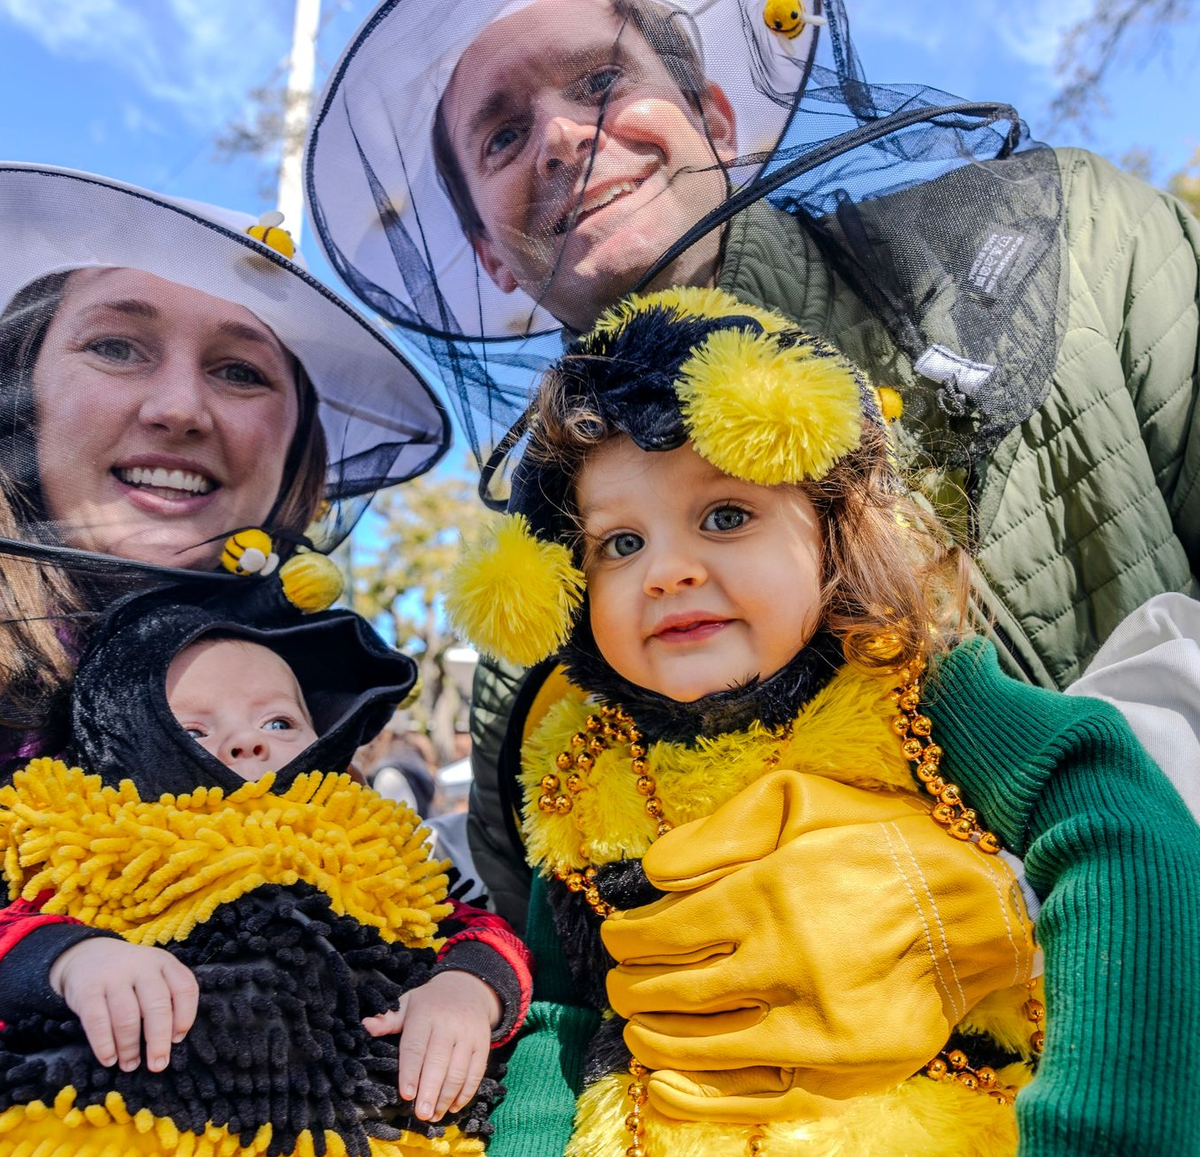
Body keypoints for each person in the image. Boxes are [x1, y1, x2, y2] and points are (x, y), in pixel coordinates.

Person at [304, 0, 1200, 933]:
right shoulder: (528, 636)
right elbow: (552, 956)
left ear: (716, 122)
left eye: (602, 81)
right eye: (502, 134)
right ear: (489, 253)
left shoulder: (1083, 249)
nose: (565, 137)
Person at [443, 289, 1200, 1157]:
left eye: (726, 515)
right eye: (619, 542)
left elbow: (1125, 831)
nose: (668, 571)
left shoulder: (915, 691)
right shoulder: (573, 779)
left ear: (834, 531)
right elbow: (563, 1023)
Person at [0, 162, 451, 1005]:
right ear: (23, 393)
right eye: (116, 347)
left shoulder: (320, 692)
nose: (180, 408)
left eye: (241, 370)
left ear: (294, 448)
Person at [0, 570, 532, 1157]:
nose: (248, 741)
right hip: (127, 1151)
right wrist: (72, 957)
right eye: (193, 730)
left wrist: (467, 989)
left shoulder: (370, 843)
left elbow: (478, 928)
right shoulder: (86, 842)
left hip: (359, 1152)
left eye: (279, 721)